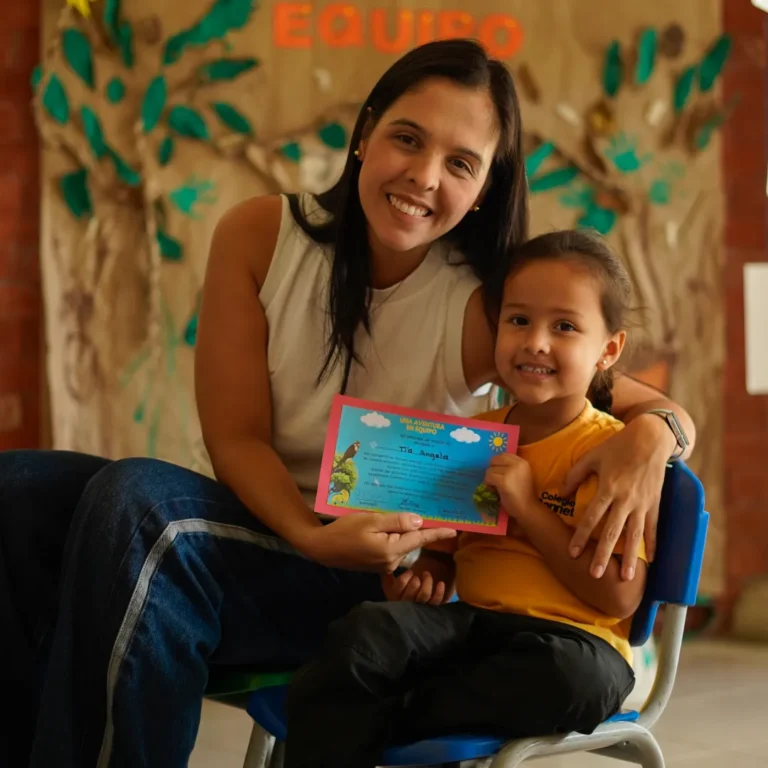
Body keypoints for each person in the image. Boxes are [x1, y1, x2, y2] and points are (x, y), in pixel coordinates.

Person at [0, 40, 692, 768]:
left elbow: (645, 402)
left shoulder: (492, 306)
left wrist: (653, 441)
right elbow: (236, 440)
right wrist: (308, 532)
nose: (424, 176)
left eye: (460, 163)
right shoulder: (258, 235)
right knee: (19, 494)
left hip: (382, 571)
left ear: (486, 185)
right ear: (363, 135)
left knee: (141, 512)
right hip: (270, 526)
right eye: (407, 138)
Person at [284, 229, 648, 768]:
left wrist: (527, 507)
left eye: (565, 327)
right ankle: (384, 712)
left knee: (574, 679)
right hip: (470, 627)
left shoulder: (610, 454)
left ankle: (385, 713)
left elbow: (619, 599)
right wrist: (426, 569)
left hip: (572, 641)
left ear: (608, 350)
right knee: (367, 629)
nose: (535, 342)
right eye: (518, 320)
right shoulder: (470, 440)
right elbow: (446, 549)